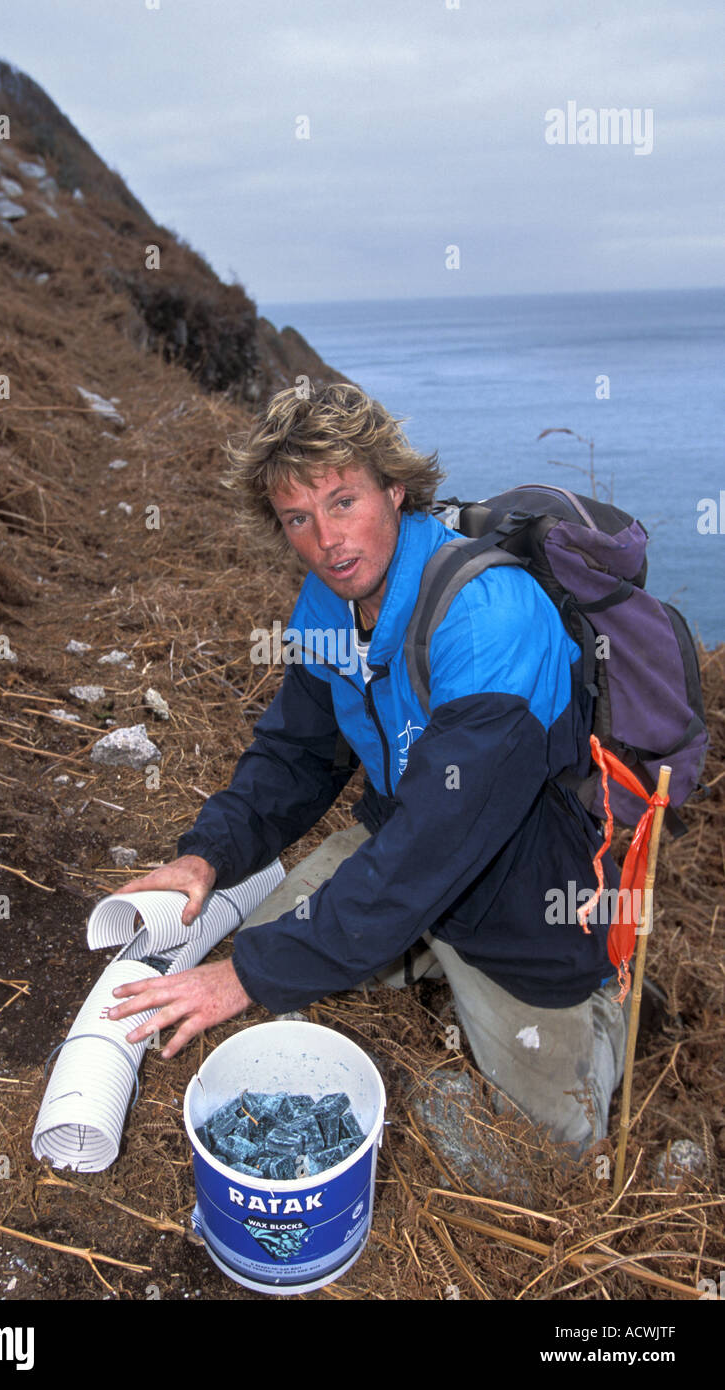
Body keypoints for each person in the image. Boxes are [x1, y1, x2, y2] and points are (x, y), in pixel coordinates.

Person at [107, 382, 629, 1157]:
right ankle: (418, 953)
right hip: (404, 833)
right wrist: (206, 853)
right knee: (264, 961)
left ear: (394, 488)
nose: (327, 540)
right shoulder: (327, 606)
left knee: (551, 1149)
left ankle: (607, 1006)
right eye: (298, 519)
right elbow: (298, 753)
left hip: (520, 878)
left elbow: (439, 842)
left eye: (344, 501)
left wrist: (247, 976)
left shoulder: (491, 617)